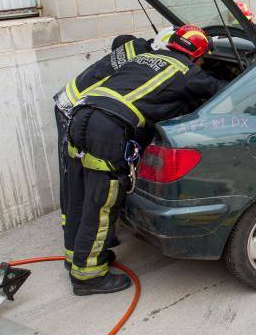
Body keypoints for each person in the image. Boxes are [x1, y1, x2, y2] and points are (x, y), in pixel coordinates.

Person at [65, 25, 226, 295]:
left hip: (82, 116)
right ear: (198, 56)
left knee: (81, 195)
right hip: (108, 129)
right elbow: (222, 93)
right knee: (103, 202)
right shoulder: (187, 72)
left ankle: (78, 258)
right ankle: (88, 276)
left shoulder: (144, 57)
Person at [53, 34, 150, 271]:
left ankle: (76, 253)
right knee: (79, 184)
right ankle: (81, 256)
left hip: (72, 106)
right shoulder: (146, 56)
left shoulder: (132, 47)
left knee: (77, 183)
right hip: (76, 111)